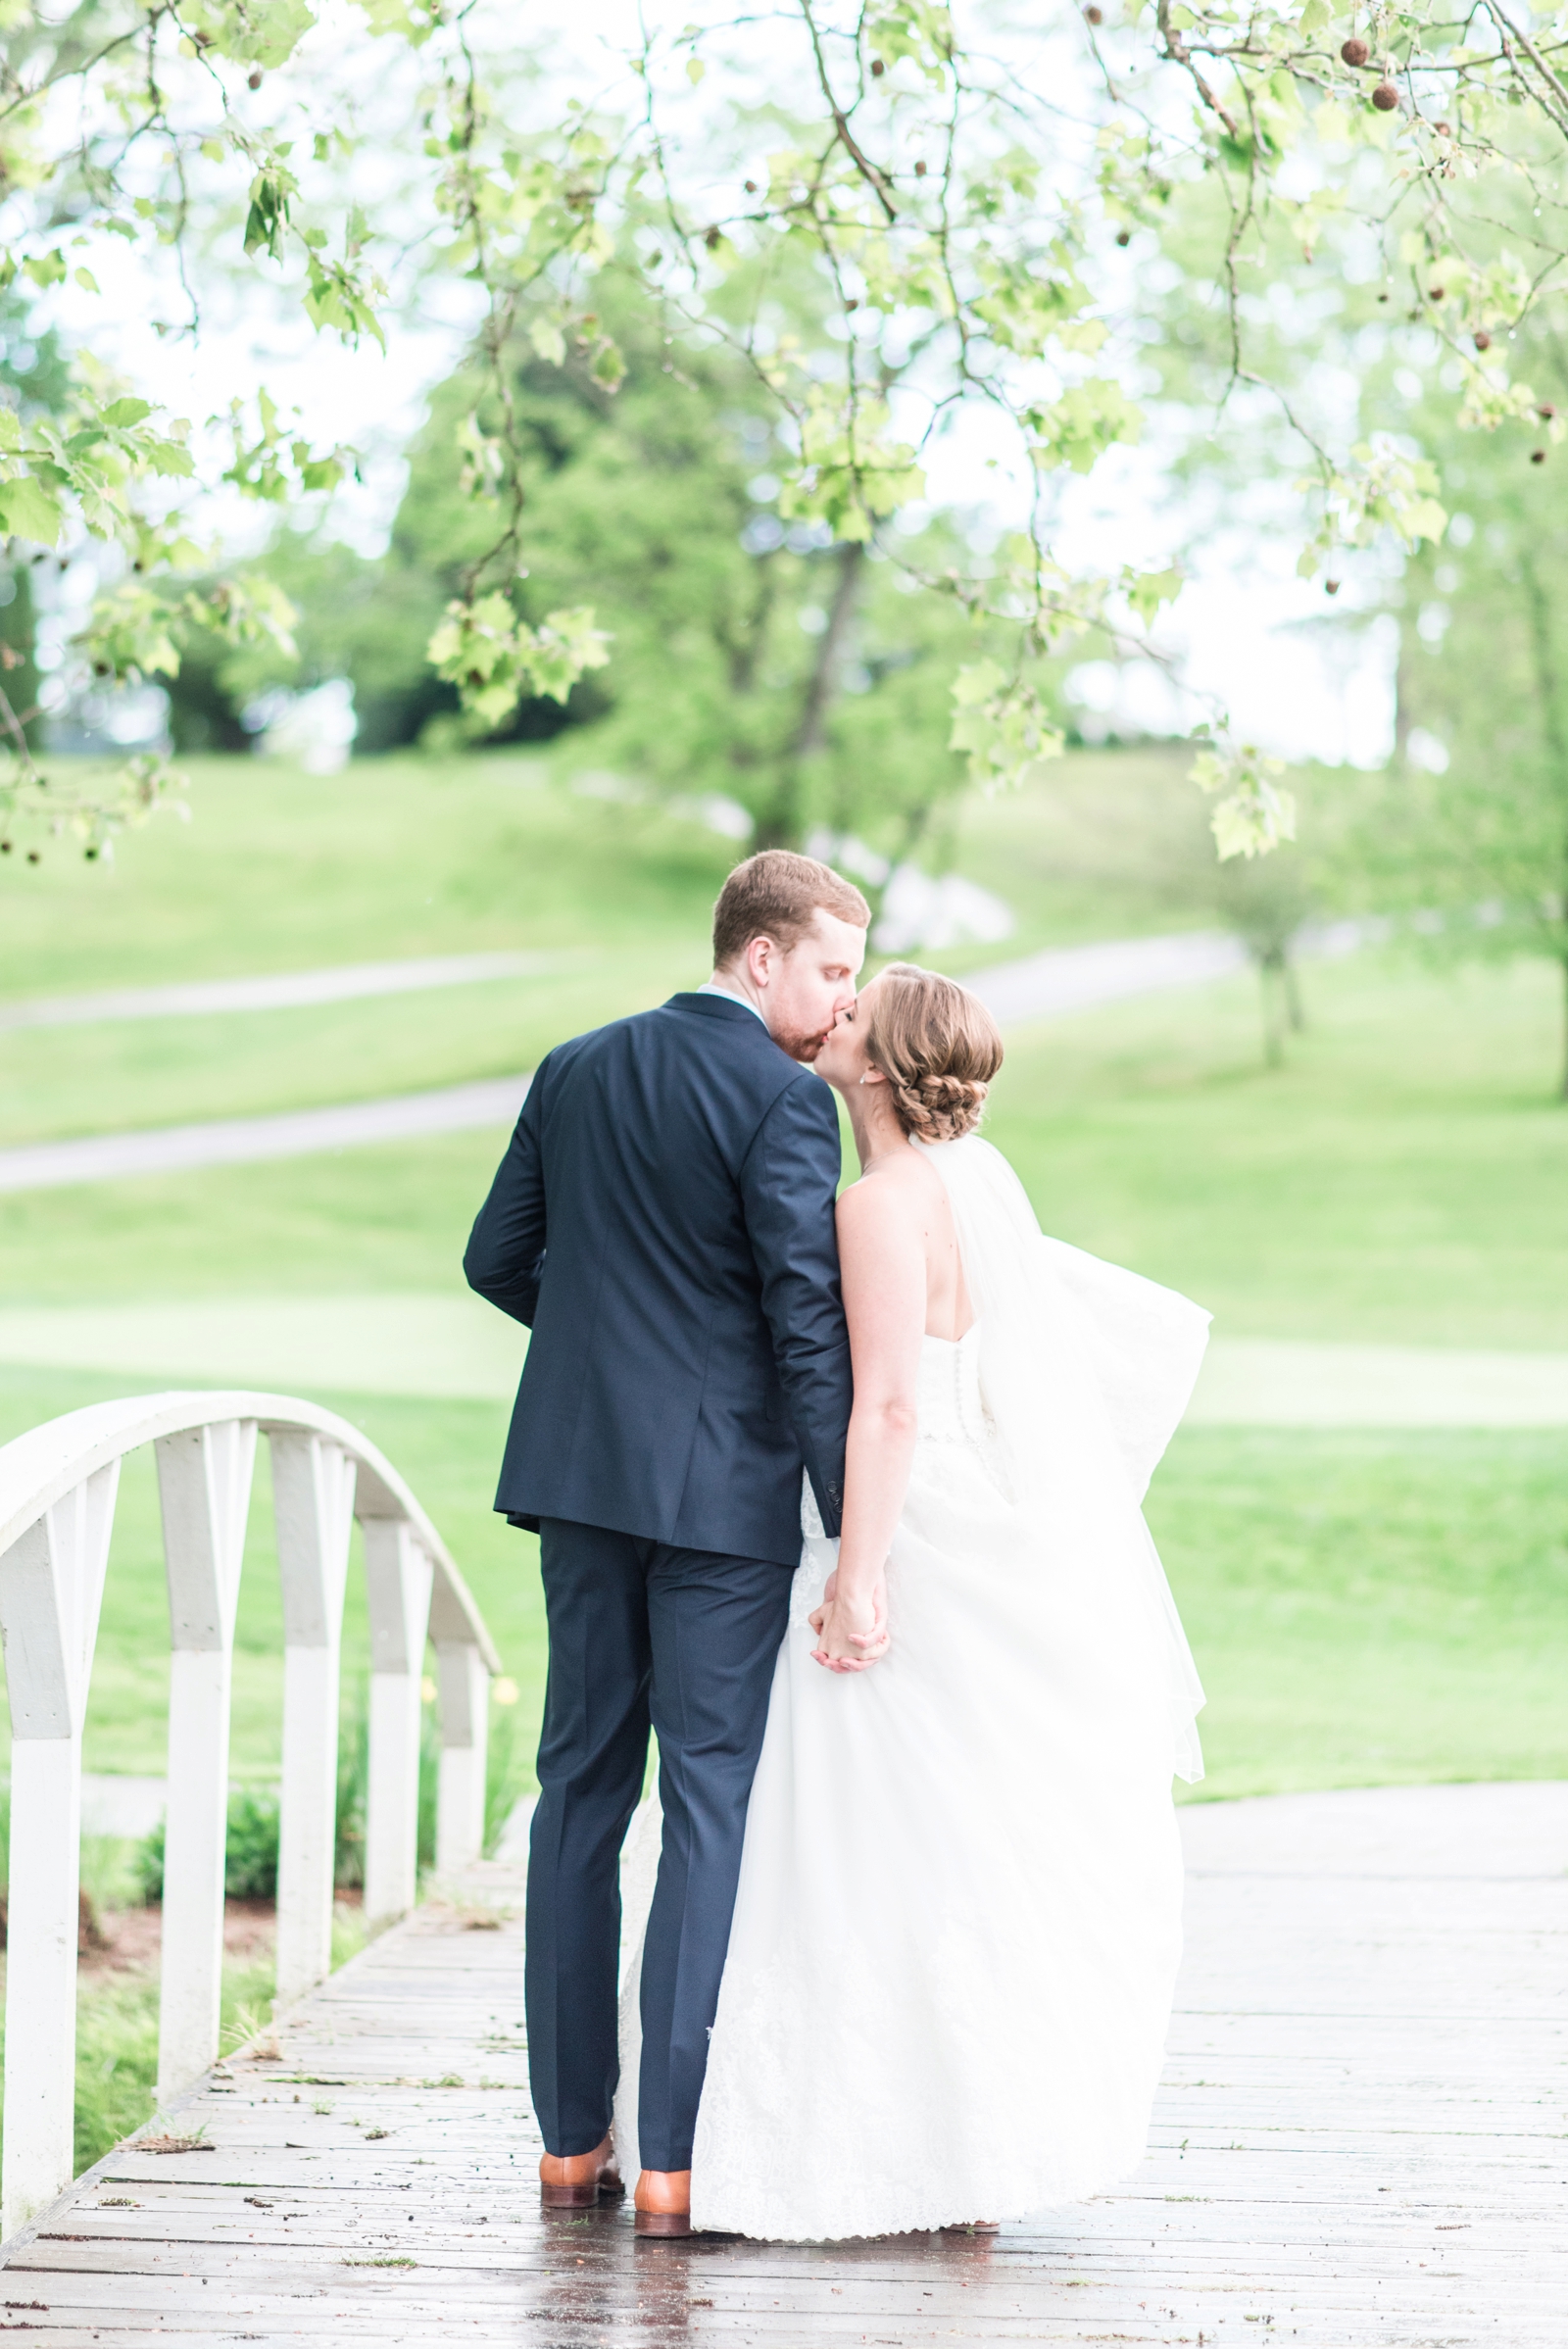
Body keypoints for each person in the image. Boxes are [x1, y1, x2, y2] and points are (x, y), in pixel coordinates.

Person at [617, 961, 1210, 2240]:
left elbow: (887, 1403)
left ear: (877, 1066)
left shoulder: (880, 1203)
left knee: (853, 1832)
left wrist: (858, 1571)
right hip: (970, 1498)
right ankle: (964, 2153)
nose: (829, 1021)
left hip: (911, 1522)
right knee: (944, 1833)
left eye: (851, 1012)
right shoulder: (972, 1183)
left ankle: (903, 2148)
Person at [463, 850, 869, 2238]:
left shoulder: (573, 1066)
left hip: (579, 1482)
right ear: (761, 957)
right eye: (830, 970)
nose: (841, 1000)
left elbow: (493, 1257)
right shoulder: (784, 1099)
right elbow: (805, 1324)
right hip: (721, 1507)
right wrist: (849, 1519)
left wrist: (601, 1356)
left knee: (578, 1792)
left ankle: (569, 2148)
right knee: (704, 1802)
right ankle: (674, 2163)